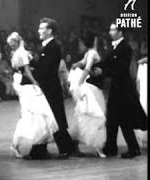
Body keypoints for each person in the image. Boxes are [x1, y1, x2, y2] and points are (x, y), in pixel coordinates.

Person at [93, 22, 147, 158]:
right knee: (112, 119)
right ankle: (111, 148)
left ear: (120, 32)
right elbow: (106, 62)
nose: (110, 32)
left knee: (124, 120)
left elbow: (120, 69)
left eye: (112, 30)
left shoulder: (125, 48)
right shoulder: (115, 47)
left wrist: (102, 72)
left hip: (123, 90)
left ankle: (132, 148)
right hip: (116, 88)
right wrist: (91, 66)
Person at [7, 32, 59, 158]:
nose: (11, 45)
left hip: (23, 83)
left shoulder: (20, 53)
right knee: (34, 113)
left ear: (17, 41)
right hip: (27, 84)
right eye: (10, 44)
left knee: (31, 113)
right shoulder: (22, 53)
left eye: (12, 42)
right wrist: (35, 82)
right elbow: (26, 71)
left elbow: (25, 69)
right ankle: (22, 144)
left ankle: (20, 144)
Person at [34, 17, 75, 159]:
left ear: (49, 31)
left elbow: (46, 69)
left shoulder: (53, 46)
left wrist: (31, 69)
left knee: (55, 118)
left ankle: (66, 148)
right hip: (48, 87)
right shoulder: (48, 45)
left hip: (50, 88)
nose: (39, 31)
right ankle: (40, 150)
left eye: (42, 28)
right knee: (48, 118)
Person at [69, 31, 107, 158]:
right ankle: (96, 148)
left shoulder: (92, 53)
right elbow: (81, 63)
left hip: (92, 87)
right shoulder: (89, 53)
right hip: (92, 87)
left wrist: (79, 83)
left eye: (80, 43)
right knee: (89, 115)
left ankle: (96, 147)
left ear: (85, 43)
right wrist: (75, 65)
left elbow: (86, 67)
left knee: (91, 115)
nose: (79, 45)